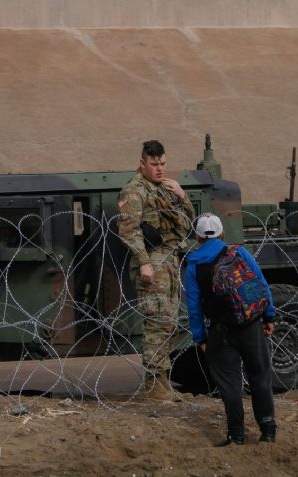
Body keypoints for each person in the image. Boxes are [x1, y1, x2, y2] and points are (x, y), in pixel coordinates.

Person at [184, 213, 277, 445]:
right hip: (249, 324)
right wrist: (268, 316)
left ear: (197, 237)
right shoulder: (238, 253)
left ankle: (236, 435)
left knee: (230, 383)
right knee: (260, 375)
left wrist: (200, 337)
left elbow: (194, 306)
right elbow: (259, 284)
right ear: (222, 233)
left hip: (219, 330)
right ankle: (268, 430)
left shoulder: (193, 265)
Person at [118, 139, 194, 401]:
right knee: (157, 323)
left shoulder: (166, 188)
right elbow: (129, 230)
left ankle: (162, 381)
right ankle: (153, 385)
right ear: (142, 163)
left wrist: (183, 196)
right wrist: (144, 262)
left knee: (170, 324)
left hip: (169, 262)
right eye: (154, 164)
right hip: (152, 262)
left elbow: (187, 223)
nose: (159, 168)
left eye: (162, 163)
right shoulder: (135, 191)